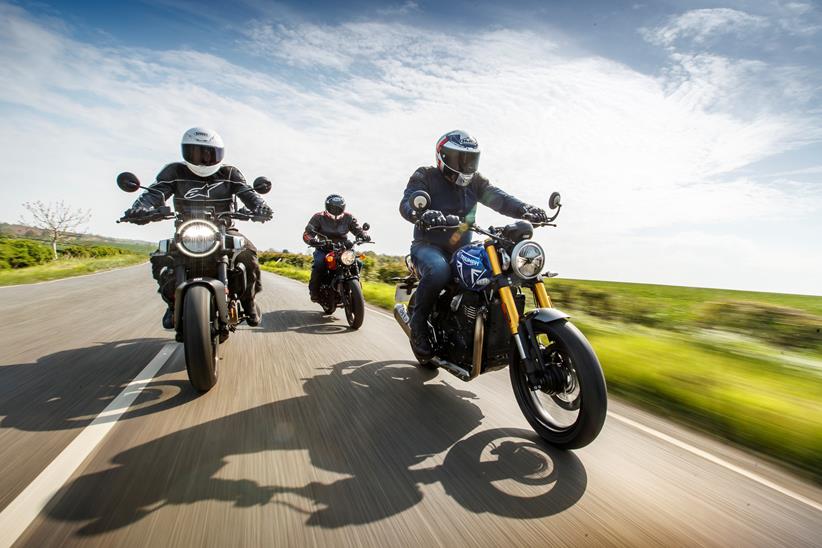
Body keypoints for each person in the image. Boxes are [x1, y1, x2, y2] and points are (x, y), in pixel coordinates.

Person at [399, 130, 549, 357]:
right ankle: (418, 326)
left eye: (471, 159)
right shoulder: (425, 175)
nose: (466, 165)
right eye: (461, 159)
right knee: (439, 271)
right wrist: (421, 213)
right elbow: (408, 201)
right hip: (427, 246)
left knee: (497, 266)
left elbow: (499, 198)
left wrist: (525, 210)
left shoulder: (475, 182)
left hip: (462, 248)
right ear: (444, 157)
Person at [123, 127, 272, 328]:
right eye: (196, 152)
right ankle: (173, 303)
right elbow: (154, 193)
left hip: (223, 228)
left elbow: (248, 194)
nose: (203, 159)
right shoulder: (174, 171)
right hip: (186, 231)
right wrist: (140, 208)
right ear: (186, 152)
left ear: (219, 153)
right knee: (161, 256)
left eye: (209, 153)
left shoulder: (230, 173)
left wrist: (260, 207)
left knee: (248, 252)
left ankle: (249, 301)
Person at [302, 194, 370, 302]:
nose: (336, 210)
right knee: (319, 264)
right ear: (327, 207)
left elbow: (358, 229)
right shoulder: (318, 217)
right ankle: (314, 291)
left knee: (358, 263)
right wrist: (312, 240)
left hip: (344, 248)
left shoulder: (349, 217)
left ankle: (355, 290)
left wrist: (364, 235)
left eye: (339, 208)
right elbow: (307, 233)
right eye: (333, 207)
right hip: (324, 248)